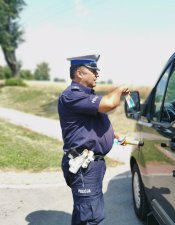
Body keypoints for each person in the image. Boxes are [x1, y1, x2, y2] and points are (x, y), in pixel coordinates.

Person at [57, 54, 129, 225]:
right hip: (84, 166)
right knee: (91, 218)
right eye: (93, 71)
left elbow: (88, 126)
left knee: (84, 214)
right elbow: (110, 103)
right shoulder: (72, 95)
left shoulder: (86, 96)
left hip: (90, 166)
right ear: (80, 73)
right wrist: (120, 89)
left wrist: (113, 135)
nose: (97, 74)